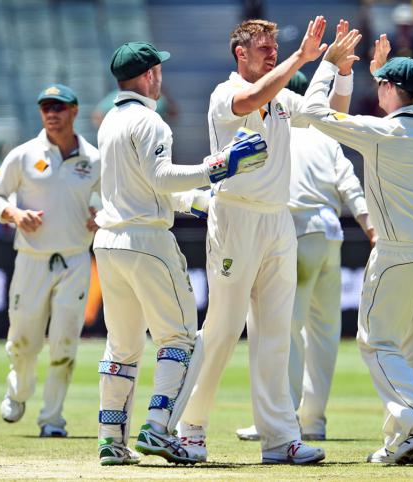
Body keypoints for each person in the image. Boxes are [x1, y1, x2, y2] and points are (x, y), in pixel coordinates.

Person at [178, 17, 357, 465]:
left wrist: (335, 67)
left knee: (277, 332)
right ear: (240, 52)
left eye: (276, 46)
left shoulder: (282, 99)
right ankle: (188, 427)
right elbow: (252, 99)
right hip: (236, 217)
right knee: (221, 328)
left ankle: (279, 438)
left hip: (279, 222)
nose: (272, 52)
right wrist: (303, 58)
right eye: (263, 47)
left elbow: (323, 113)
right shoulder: (226, 92)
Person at [94, 41, 267, 466]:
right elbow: (161, 177)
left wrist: (206, 203)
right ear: (150, 75)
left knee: (122, 346)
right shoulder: (151, 123)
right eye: (159, 71)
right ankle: (158, 428)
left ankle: (111, 440)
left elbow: (146, 187)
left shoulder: (110, 121)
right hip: (148, 244)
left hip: (110, 243)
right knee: (180, 339)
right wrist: (219, 166)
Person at [300, 33, 413, 464]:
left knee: (376, 343)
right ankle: (400, 440)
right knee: (411, 351)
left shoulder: (381, 133)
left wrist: (329, 65)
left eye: (380, 84)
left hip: (397, 254)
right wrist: (381, 74)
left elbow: (312, 112)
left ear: (388, 89)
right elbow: (401, 99)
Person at [236, 71, 376, 443]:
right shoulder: (325, 135)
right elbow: (349, 182)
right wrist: (370, 226)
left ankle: (281, 419)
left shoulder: (275, 129)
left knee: (284, 329)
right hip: (330, 235)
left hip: (295, 232)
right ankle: (313, 419)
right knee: (324, 333)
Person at [0, 84, 100, 438]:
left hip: (76, 259)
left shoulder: (94, 159)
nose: (52, 113)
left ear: (74, 111)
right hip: (32, 259)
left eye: (59, 107)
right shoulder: (23, 154)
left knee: (65, 342)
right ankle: (18, 391)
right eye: (46, 107)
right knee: (23, 341)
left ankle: (53, 419)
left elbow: (111, 199)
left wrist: (101, 215)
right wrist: (14, 215)